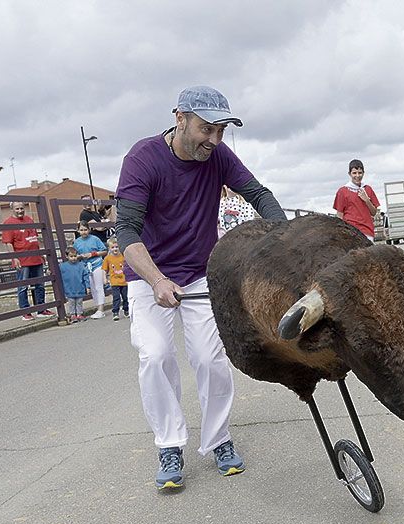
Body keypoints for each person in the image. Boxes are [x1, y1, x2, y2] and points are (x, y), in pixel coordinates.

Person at [114, 84, 286, 489]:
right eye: (206, 129)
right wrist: (156, 280)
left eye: (221, 131)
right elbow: (126, 229)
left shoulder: (219, 156)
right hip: (148, 273)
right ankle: (169, 444)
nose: (214, 140)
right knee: (155, 356)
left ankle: (219, 439)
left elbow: (258, 194)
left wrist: (285, 236)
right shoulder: (143, 159)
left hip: (199, 272)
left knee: (210, 359)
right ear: (180, 119)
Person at [1, 203, 53, 321]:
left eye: (22, 208)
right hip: (22, 259)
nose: (20, 211)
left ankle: (41, 308)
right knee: (23, 286)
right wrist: (14, 257)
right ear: (12, 209)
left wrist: (40, 253)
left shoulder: (29, 219)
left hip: (35, 257)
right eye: (17, 209)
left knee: (40, 284)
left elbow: (35, 238)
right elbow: (8, 242)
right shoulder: (8, 223)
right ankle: (25, 311)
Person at [332, 159, 380, 239]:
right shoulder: (342, 191)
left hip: (367, 231)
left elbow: (374, 212)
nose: (357, 176)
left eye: (360, 173)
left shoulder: (368, 189)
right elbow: (339, 215)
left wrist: (367, 200)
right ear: (349, 174)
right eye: (354, 173)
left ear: (363, 173)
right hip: (351, 232)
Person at [73, 224, 107, 318]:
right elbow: (74, 255)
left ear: (89, 230)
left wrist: (93, 254)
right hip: (85, 266)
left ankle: (101, 309)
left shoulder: (95, 239)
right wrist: (80, 256)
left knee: (98, 286)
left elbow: (104, 251)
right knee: (92, 288)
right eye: (81, 230)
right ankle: (98, 307)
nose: (84, 232)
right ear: (78, 231)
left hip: (97, 264)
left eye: (85, 230)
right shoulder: (76, 242)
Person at [58, 247, 90, 323]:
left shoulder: (81, 265)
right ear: (67, 256)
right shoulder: (62, 266)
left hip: (80, 287)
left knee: (79, 302)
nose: (73, 258)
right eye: (71, 256)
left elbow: (85, 276)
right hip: (69, 288)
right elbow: (55, 271)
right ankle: (72, 315)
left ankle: (79, 314)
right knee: (71, 302)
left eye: (75, 256)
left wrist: (87, 286)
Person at [101, 238, 128, 321]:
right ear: (109, 248)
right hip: (114, 281)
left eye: (116, 247)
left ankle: (126, 310)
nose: (115, 249)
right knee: (116, 298)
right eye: (112, 247)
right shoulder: (107, 259)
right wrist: (104, 278)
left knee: (125, 297)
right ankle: (115, 312)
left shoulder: (123, 256)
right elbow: (104, 269)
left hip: (125, 281)